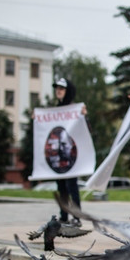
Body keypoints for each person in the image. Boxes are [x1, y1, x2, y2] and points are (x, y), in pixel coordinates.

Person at [52, 77, 86, 226]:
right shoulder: (55, 110)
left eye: (61, 88)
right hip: (59, 155)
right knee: (61, 187)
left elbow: (85, 129)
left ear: (68, 91)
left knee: (72, 186)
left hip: (71, 155)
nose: (58, 91)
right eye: (57, 88)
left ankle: (76, 217)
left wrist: (83, 116)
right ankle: (64, 216)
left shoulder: (74, 109)